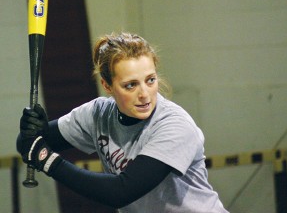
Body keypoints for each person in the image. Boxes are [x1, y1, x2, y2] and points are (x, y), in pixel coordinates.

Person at [17, 32, 229, 213]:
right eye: (130, 85)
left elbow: (121, 192)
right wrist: (33, 128)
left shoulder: (174, 125)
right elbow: (29, 143)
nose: (145, 94)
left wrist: (46, 160)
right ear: (107, 86)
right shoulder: (98, 113)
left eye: (150, 80)